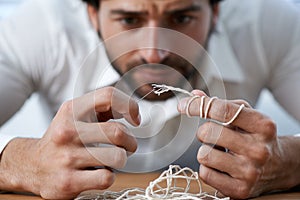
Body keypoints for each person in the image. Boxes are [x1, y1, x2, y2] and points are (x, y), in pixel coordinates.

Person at [0, 0, 299, 199]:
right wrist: (23, 162)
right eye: (130, 19)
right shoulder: (39, 28)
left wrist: (290, 160)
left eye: (181, 18)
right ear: (93, 14)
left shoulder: (271, 23)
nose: (154, 54)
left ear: (216, 11)